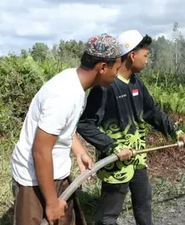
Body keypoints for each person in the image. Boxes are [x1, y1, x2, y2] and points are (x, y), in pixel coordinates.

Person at [77, 29, 185, 225]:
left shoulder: (135, 82)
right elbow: (85, 124)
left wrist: (177, 132)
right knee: (108, 216)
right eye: (145, 55)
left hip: (138, 156)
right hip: (116, 162)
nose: (147, 60)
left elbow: (152, 111)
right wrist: (112, 147)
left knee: (143, 203)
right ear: (132, 55)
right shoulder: (104, 87)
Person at [10, 34, 123, 225]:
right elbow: (40, 150)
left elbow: (63, 130)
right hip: (35, 180)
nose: (117, 75)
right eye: (116, 69)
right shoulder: (63, 96)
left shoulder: (76, 84)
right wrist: (52, 202)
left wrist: (79, 152)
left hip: (55, 172)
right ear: (103, 67)